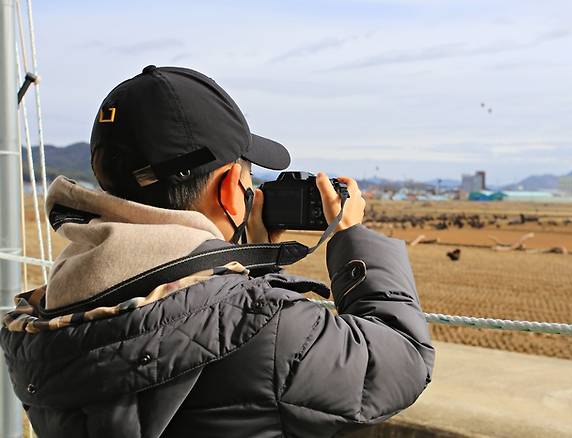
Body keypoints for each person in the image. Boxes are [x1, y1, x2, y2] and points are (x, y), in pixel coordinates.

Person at [0, 66, 435, 438]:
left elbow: (202, 321)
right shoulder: (269, 327)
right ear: (230, 188)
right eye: (247, 179)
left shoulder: (51, 308)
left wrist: (254, 260)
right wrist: (350, 236)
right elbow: (402, 360)